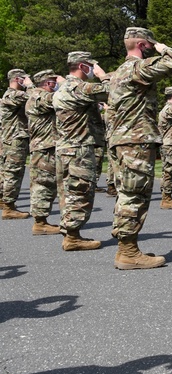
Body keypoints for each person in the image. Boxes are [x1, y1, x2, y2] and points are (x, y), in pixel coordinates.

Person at [107, 27, 172, 270]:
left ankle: (126, 249)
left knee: (126, 192)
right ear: (140, 44)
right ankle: (128, 251)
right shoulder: (137, 68)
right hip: (135, 140)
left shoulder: (118, 72)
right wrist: (162, 47)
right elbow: (170, 62)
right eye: (148, 43)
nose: (152, 46)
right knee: (135, 194)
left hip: (122, 139)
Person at [53, 52, 109, 251]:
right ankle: (73, 237)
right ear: (82, 66)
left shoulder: (62, 89)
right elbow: (112, 90)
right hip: (79, 148)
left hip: (65, 147)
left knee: (68, 192)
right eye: (91, 65)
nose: (93, 69)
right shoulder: (78, 87)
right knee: (81, 191)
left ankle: (70, 233)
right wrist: (103, 74)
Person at [26, 69, 63, 234]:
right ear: (49, 83)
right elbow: (61, 99)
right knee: (43, 184)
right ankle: (40, 223)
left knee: (46, 184)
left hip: (44, 146)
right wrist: (65, 84)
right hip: (44, 147)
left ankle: (41, 221)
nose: (56, 85)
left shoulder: (34, 95)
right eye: (54, 82)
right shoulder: (39, 96)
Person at [1, 69, 33, 219]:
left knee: (6, 171)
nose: (26, 79)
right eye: (23, 78)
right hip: (15, 139)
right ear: (17, 79)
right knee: (14, 172)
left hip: (9, 138)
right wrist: (30, 85)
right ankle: (9, 207)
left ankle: (4, 200)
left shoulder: (9, 95)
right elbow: (35, 98)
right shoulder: (14, 94)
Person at [97, 103, 118, 197]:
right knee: (112, 163)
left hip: (113, 138)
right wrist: (108, 109)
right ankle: (111, 186)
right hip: (113, 138)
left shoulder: (108, 113)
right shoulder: (109, 113)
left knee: (112, 162)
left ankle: (113, 185)